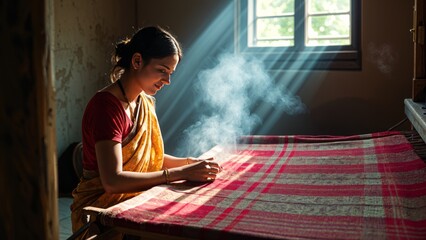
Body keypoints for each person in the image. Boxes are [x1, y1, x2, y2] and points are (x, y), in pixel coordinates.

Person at [70, 26, 222, 239]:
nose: (167, 81)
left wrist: (189, 163)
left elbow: (153, 158)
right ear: (137, 61)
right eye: (162, 70)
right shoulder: (106, 107)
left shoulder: (144, 102)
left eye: (170, 73)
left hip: (134, 201)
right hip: (101, 213)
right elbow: (112, 181)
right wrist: (179, 174)